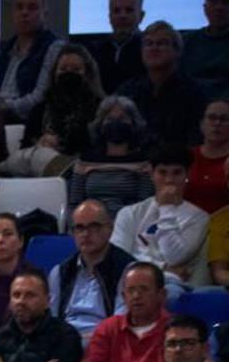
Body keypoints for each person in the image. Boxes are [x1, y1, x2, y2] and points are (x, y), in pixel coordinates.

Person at [53, 261, 168, 362]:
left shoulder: (174, 329)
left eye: (144, 289)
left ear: (161, 295)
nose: (136, 296)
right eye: (131, 290)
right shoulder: (110, 327)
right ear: (123, 295)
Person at [111, 143, 209, 299]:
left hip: (170, 287)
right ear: (152, 174)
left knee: (169, 294)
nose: (169, 180)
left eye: (177, 173)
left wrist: (166, 208)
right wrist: (162, 269)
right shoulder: (129, 213)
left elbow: (175, 256)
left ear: (187, 175)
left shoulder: (199, 218)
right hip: (131, 282)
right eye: (162, 172)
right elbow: (117, 259)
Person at [0, 43, 105, 177]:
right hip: (42, 170)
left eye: (76, 70)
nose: (68, 74)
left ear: (88, 74)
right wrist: (40, 143)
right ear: (54, 73)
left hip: (85, 170)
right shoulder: (39, 110)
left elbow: (102, 148)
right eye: (63, 69)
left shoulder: (101, 109)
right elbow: (25, 149)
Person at [48, 199, 134, 344]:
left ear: (110, 228)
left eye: (94, 227)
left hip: (106, 342)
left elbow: (120, 322)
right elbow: (51, 319)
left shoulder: (127, 270)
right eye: (79, 228)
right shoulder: (60, 272)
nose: (85, 234)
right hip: (65, 342)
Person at [117, 20, 208, 147]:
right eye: (148, 43)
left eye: (162, 43)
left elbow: (196, 139)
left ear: (177, 51)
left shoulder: (194, 92)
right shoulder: (127, 91)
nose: (154, 48)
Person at [0, 0, 64, 121]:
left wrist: (4, 108)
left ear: (45, 14)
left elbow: (41, 95)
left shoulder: (54, 47)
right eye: (19, 8)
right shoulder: (2, 53)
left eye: (32, 8)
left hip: (28, 120)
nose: (24, 12)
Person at [67, 95, 155, 218]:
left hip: (127, 226)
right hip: (90, 225)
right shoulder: (85, 161)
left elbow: (144, 206)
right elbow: (74, 204)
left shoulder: (143, 163)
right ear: (100, 125)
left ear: (133, 124)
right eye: (109, 119)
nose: (116, 123)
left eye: (122, 118)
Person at [88, 0, 146, 95]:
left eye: (129, 10)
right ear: (109, 17)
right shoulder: (95, 51)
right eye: (116, 11)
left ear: (141, 16)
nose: (122, 16)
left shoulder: (149, 49)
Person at [182, 0, 229, 94]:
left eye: (226, 2)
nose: (219, 7)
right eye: (213, 1)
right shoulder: (186, 42)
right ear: (205, 7)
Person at [190, 99, 229, 217]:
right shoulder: (185, 157)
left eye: (224, 119)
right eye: (212, 117)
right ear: (202, 124)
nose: (217, 123)